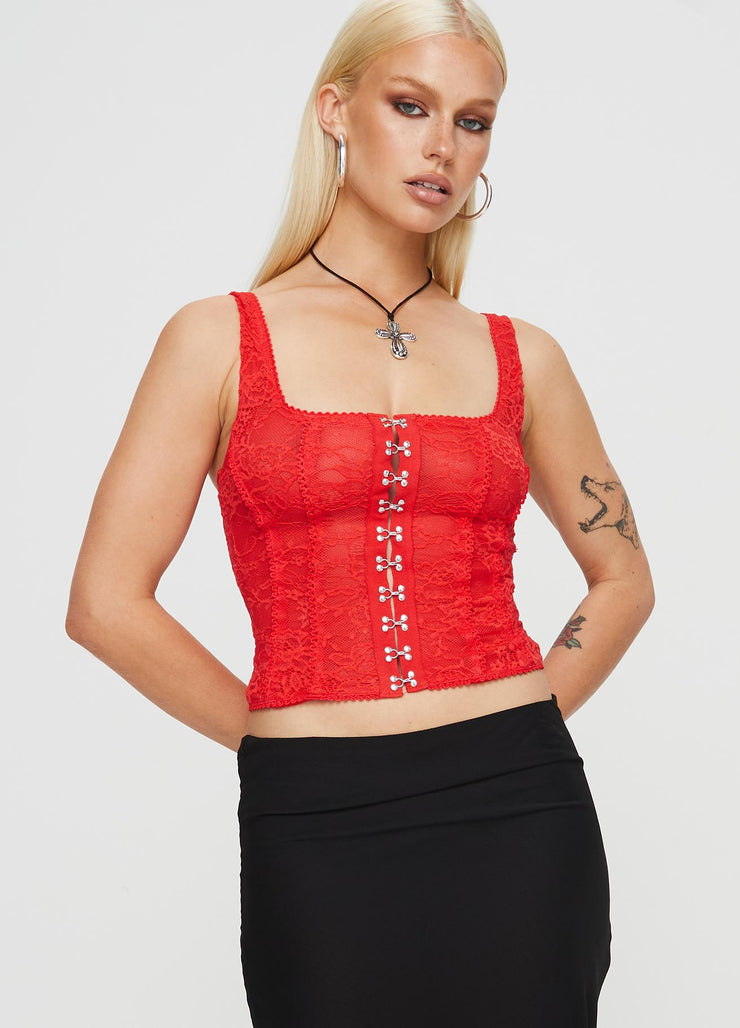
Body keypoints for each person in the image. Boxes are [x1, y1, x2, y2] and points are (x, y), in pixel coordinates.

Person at [66, 1, 655, 1024]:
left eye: (473, 121)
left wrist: (518, 727)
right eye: (410, 105)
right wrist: (277, 741)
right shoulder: (216, 339)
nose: (442, 146)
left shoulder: (525, 355)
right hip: (317, 816)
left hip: (522, 813)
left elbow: (624, 577)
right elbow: (104, 603)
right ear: (335, 110)